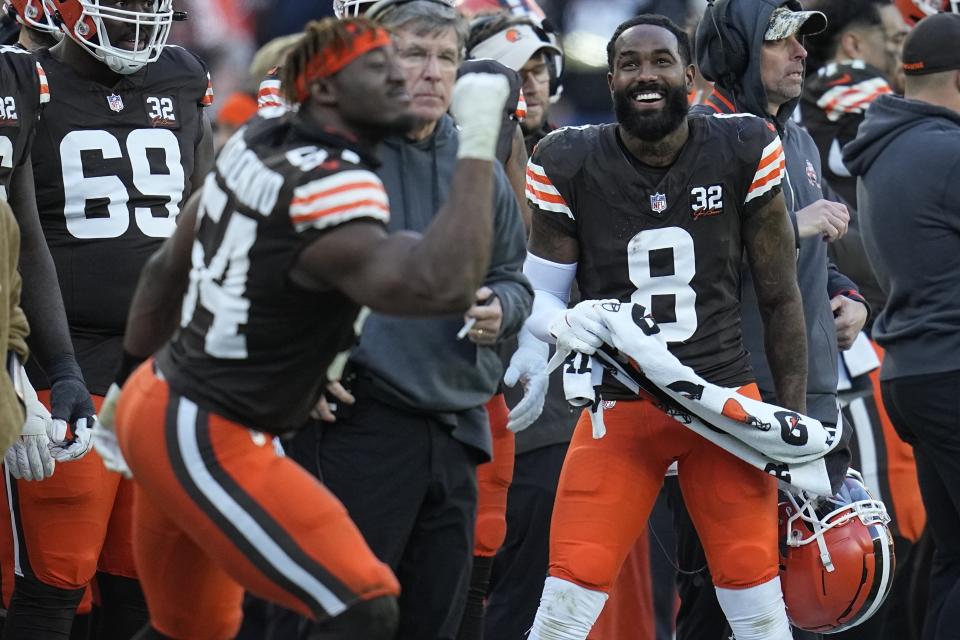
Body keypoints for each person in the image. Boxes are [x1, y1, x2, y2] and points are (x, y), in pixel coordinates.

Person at [101, 16, 513, 639]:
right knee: (361, 601)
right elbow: (439, 286)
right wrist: (481, 145)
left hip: (160, 400)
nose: (406, 79)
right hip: (211, 430)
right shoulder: (332, 183)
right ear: (326, 90)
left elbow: (165, 273)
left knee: (190, 631)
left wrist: (122, 390)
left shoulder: (261, 140)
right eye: (382, 68)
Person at [523, 14, 809, 640]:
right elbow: (538, 296)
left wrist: (795, 424)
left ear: (689, 74)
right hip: (621, 409)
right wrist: (573, 321)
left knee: (757, 603)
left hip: (724, 404)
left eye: (659, 61)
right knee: (565, 599)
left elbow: (780, 297)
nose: (645, 75)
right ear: (612, 78)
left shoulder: (743, 145)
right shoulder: (566, 157)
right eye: (630, 64)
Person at [1, 0, 215, 637]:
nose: (141, 23)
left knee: (142, 579)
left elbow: (207, 217)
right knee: (56, 578)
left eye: (149, 9)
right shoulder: (25, 81)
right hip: (66, 361)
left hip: (164, 370)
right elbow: (22, 237)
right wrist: (51, 365)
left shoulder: (181, 74)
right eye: (123, 9)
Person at [316, 3, 531, 639]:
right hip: (357, 422)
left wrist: (501, 309)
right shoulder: (332, 157)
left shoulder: (481, 169)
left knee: (435, 623)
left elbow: (513, 279)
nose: (433, 73)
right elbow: (265, 275)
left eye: (446, 58)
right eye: (414, 54)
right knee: (349, 620)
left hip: (457, 425)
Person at [669, 3, 871, 638]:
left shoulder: (800, 135)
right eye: (781, 42)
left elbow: (819, 252)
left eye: (803, 42)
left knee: (812, 591)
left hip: (808, 400)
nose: (802, 54)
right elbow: (687, 261)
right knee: (724, 598)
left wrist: (848, 297)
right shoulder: (697, 138)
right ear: (738, 51)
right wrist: (792, 227)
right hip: (731, 408)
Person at [843, 12, 960, 638]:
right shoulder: (945, 151)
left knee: (952, 560)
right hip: (950, 369)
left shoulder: (887, 142)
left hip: (913, 371)